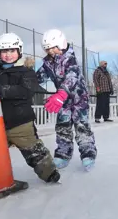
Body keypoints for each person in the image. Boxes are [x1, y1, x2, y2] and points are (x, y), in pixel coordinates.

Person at [0, 32, 60, 188]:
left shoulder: (27, 71)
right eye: (4, 51)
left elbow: (25, 91)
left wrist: (0, 89)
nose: (8, 55)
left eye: (12, 51)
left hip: (21, 123)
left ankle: (49, 173)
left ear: (19, 51)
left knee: (34, 152)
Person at [36, 29, 97, 171]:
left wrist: (62, 93)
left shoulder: (70, 59)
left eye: (53, 48)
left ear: (61, 44)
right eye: (48, 49)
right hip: (63, 100)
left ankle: (88, 153)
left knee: (81, 125)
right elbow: (38, 77)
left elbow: (72, 76)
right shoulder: (48, 63)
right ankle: (63, 154)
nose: (51, 51)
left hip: (78, 98)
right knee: (62, 126)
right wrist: (26, 78)